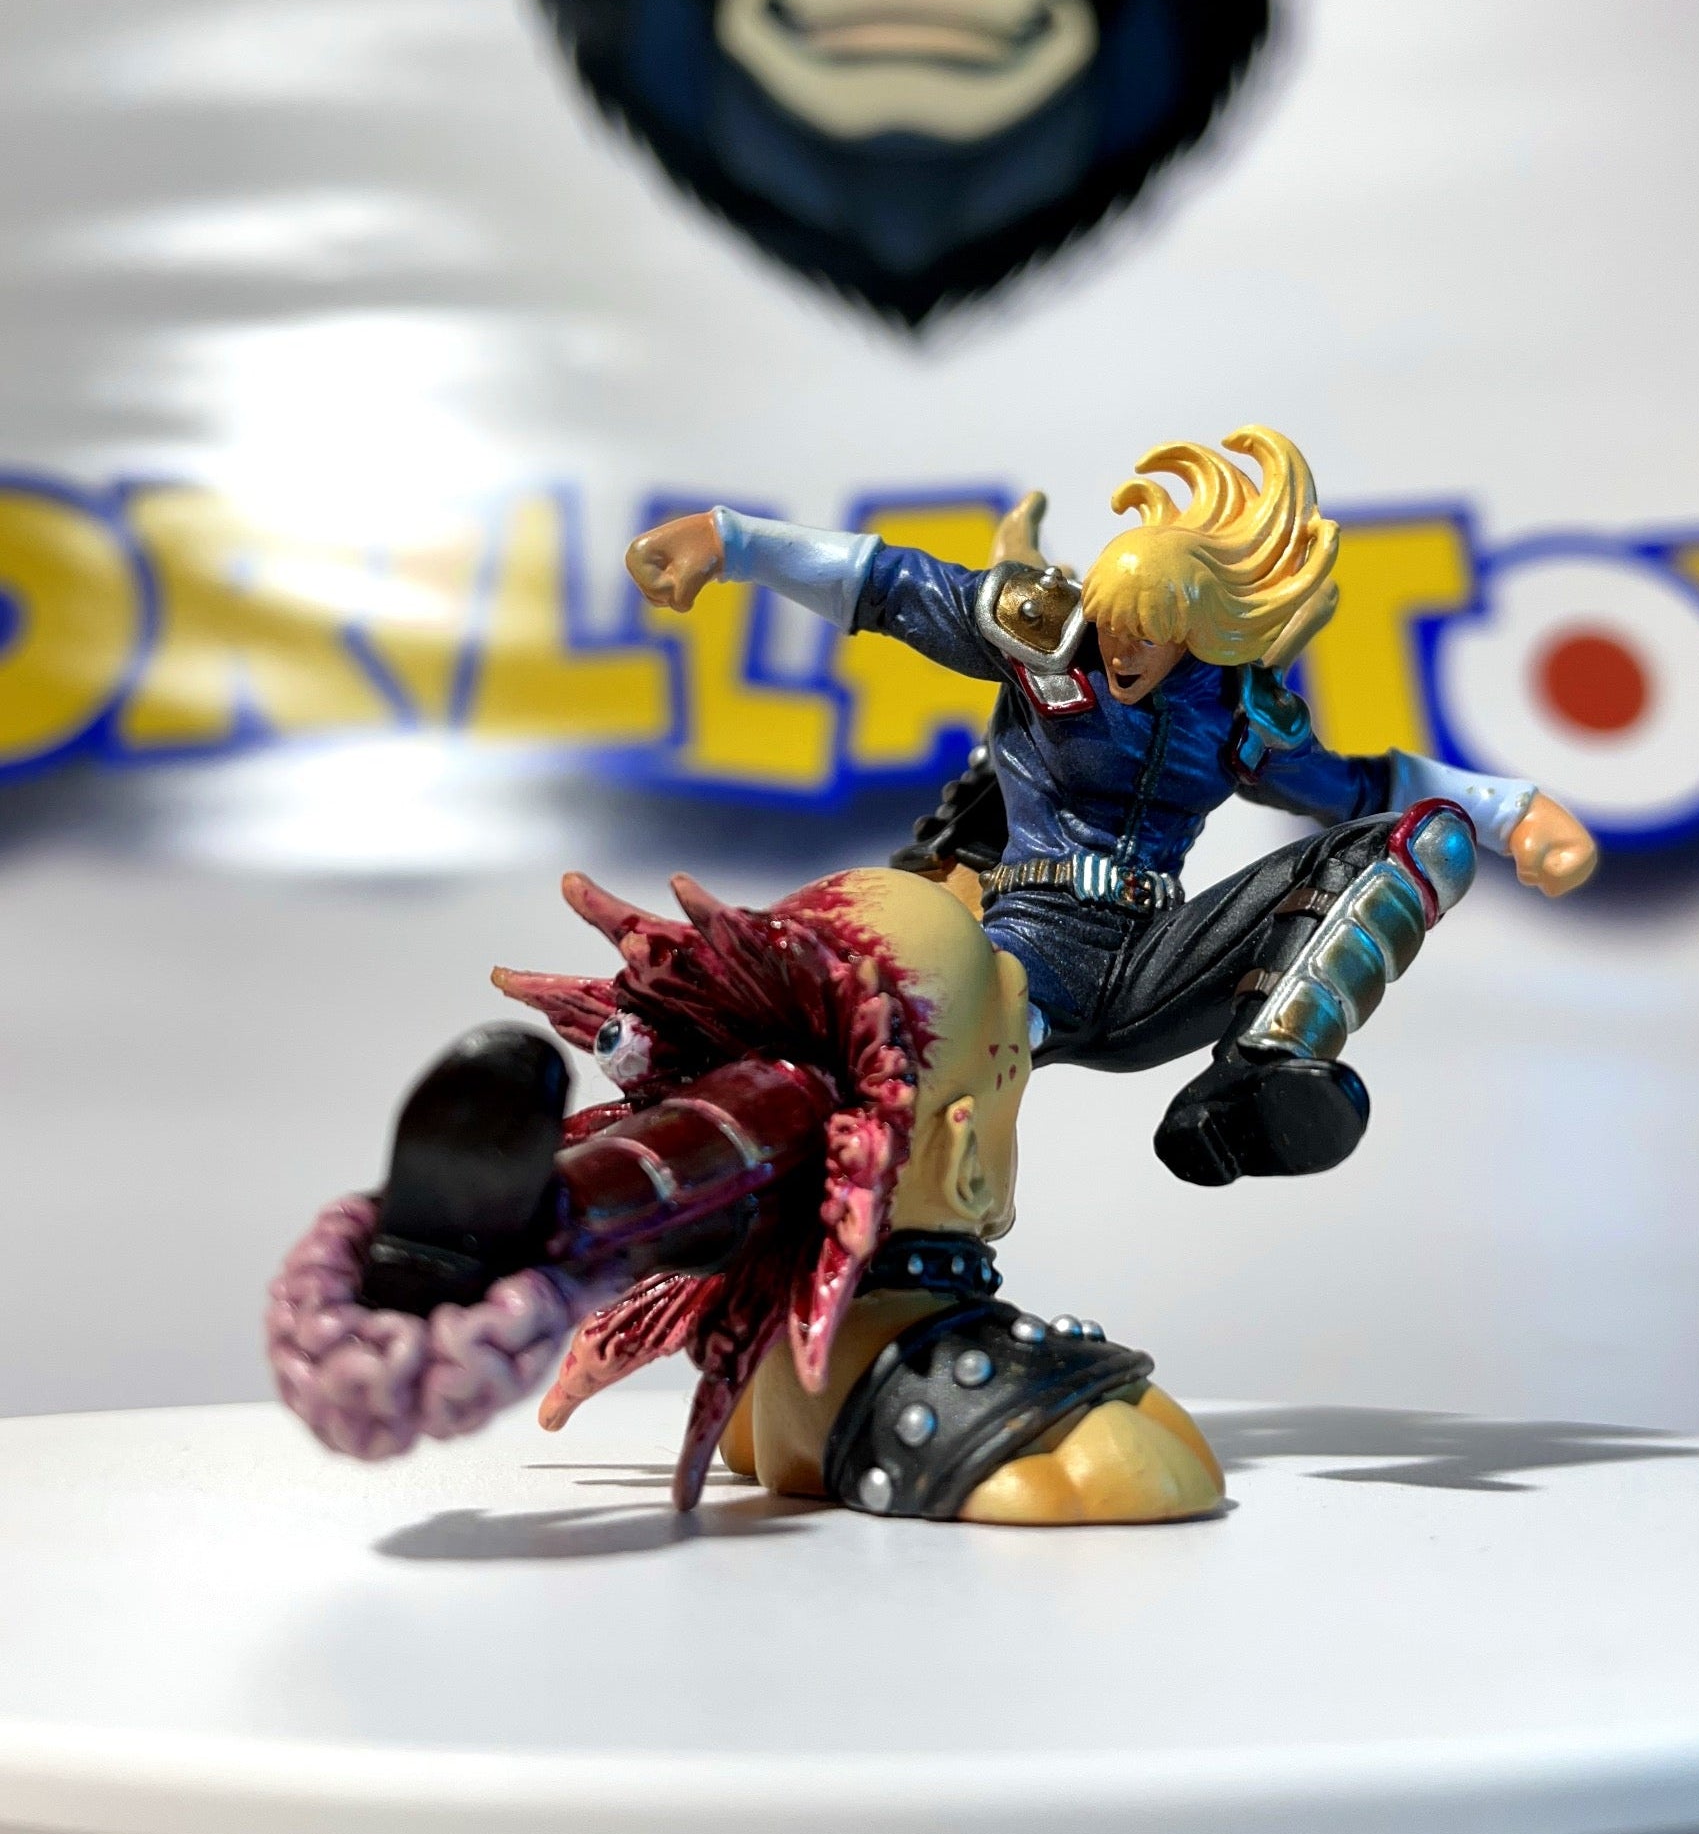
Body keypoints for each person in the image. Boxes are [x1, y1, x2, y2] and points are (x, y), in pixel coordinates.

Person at [624, 426, 1598, 1185]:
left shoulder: (1234, 717)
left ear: (1200, 631)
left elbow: (1360, 788)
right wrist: (732, 541)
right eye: (1117, 623)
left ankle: (1255, 1076)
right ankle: (701, 1133)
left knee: (1419, 842)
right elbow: (892, 586)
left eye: (1151, 632)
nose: (1123, 650)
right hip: (1025, 950)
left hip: (1151, 967)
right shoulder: (1043, 635)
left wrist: (1508, 811)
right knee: (902, 1088)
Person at [268, 866, 1224, 1525]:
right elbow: (1163, 1476)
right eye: (1019, 1052)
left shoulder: (761, 1410)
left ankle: (548, 1225)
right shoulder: (1039, 1418)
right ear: (966, 1156)